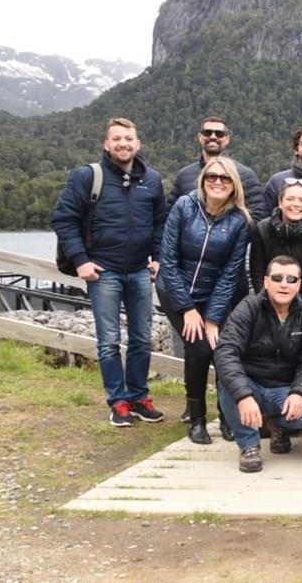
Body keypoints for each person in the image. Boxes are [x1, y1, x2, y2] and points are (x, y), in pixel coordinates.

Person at [52, 117, 167, 427]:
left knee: (142, 339)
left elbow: (159, 223)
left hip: (140, 271)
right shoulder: (88, 176)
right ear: (106, 144)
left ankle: (139, 397)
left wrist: (157, 257)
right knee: (108, 341)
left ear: (138, 144)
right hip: (104, 272)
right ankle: (118, 402)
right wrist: (80, 261)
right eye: (116, 139)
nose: (123, 144)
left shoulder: (153, 180)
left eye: (128, 139)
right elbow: (63, 219)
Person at [156, 157, 252, 445]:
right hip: (175, 291)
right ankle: (196, 418)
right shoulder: (184, 207)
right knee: (197, 349)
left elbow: (229, 274)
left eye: (224, 178)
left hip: (216, 295)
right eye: (212, 176)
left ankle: (227, 416)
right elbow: (168, 261)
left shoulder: (239, 221)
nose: (218, 182)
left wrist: (212, 317)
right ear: (203, 180)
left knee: (222, 349)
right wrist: (187, 309)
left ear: (233, 184)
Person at [214, 256, 302, 473]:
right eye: (277, 278)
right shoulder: (248, 307)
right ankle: (249, 445)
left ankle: (277, 425)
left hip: (284, 388)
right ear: (266, 281)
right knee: (227, 386)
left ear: (298, 284)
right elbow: (226, 351)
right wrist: (242, 395)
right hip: (251, 383)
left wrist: (299, 392)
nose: (284, 284)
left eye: (291, 279)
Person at [168, 116, 268, 222]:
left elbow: (258, 216)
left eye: (219, 134)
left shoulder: (245, 175)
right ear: (200, 137)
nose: (213, 137)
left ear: (227, 139)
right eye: (207, 132)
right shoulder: (184, 175)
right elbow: (170, 215)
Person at [249, 180, 302, 306]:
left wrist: (295, 309)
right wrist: (267, 303)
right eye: (290, 199)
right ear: (280, 202)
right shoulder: (262, 229)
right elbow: (258, 274)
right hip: (266, 301)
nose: (296, 204)